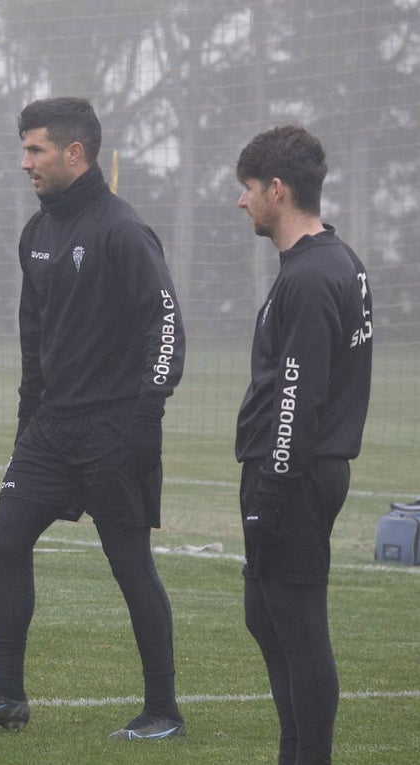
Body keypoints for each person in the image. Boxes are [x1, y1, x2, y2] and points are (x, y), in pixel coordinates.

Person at [0, 97, 187, 739]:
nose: (25, 163)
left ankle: (163, 710)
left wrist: (145, 417)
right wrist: (28, 422)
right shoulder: (37, 233)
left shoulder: (123, 230)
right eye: (24, 149)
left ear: (75, 153)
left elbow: (167, 326)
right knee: (5, 538)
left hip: (115, 430)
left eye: (36, 150)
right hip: (52, 429)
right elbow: (33, 338)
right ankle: (5, 697)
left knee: (130, 563)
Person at [234, 126, 372, 765]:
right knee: (266, 618)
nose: (243, 202)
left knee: (298, 626)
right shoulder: (328, 262)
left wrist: (273, 483)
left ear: (278, 191)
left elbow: (299, 392)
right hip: (293, 471)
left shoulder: (314, 276)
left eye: (249, 188)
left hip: (293, 473)